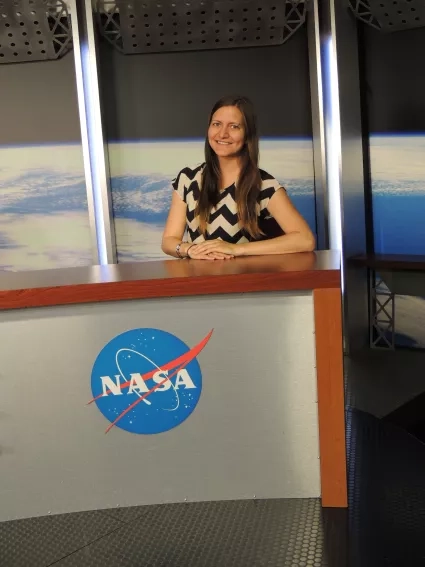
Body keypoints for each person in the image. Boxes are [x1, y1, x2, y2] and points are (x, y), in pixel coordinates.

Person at [161, 95, 315, 261]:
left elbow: (305, 240)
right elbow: (169, 241)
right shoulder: (188, 178)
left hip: (244, 282)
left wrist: (235, 249)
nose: (222, 134)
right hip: (197, 281)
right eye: (216, 124)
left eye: (234, 126)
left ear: (248, 134)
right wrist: (189, 249)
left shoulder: (264, 185)